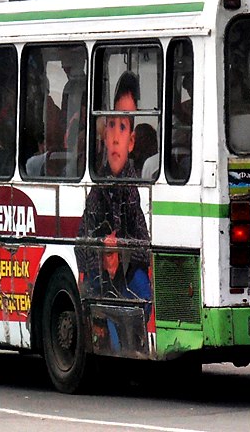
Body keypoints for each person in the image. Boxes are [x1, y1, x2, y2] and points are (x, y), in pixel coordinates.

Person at [76, 71, 151, 351]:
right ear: (104, 136)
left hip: (127, 275)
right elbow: (81, 243)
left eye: (123, 128)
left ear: (131, 141)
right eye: (111, 127)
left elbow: (143, 241)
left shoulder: (134, 185)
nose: (116, 139)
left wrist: (122, 253)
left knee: (141, 291)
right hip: (100, 278)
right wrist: (102, 255)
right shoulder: (96, 188)